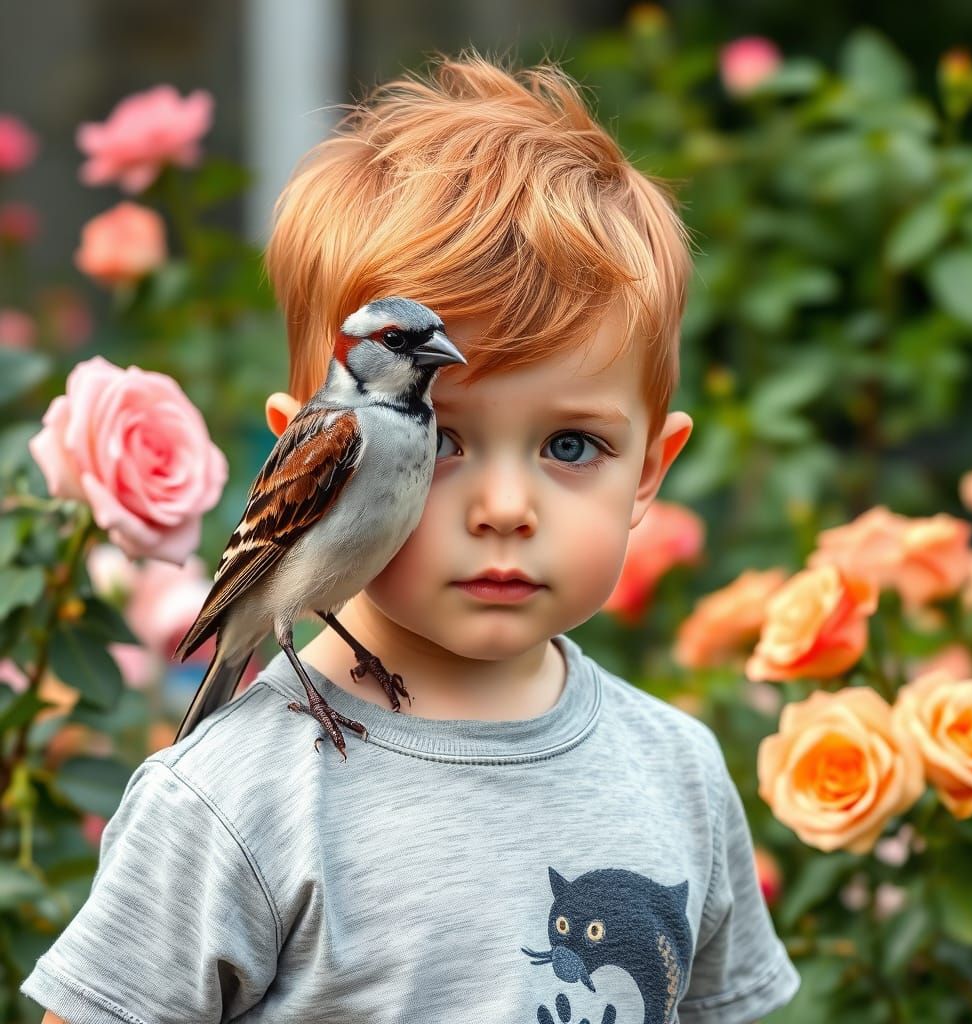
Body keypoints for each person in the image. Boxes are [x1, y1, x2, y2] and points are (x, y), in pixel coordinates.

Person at [22, 52, 799, 1024]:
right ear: (357, 356)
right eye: (456, 445)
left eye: (570, 443)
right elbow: (284, 573)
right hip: (277, 619)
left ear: (651, 470)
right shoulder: (227, 800)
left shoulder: (676, 768)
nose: (505, 508)